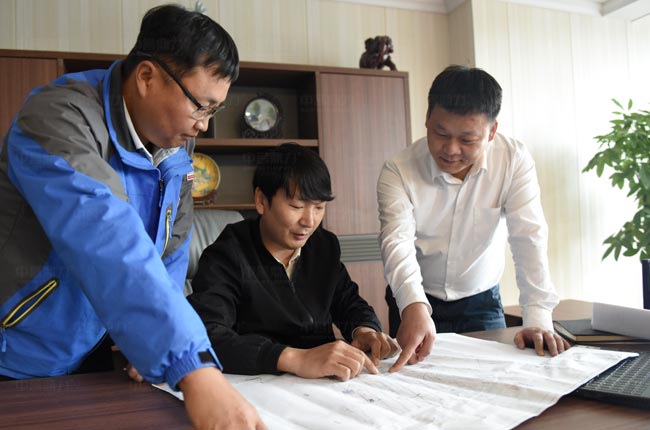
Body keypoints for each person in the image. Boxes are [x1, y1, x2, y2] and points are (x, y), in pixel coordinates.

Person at [0, 5, 265, 429]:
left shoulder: (175, 142)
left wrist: (154, 343)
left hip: (93, 352)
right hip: (16, 353)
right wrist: (192, 364)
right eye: (201, 106)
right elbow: (107, 238)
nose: (203, 126)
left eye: (213, 111)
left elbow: (171, 250)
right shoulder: (58, 117)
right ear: (146, 77)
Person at [377, 65, 570, 372]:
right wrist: (412, 304)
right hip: (414, 297)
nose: (451, 150)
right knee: (412, 382)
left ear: (491, 132)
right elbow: (396, 242)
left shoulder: (513, 160)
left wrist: (537, 317)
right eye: (440, 133)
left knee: (495, 380)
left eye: (467, 140)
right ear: (427, 119)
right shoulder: (399, 170)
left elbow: (528, 237)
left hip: (481, 301)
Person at [187, 143, 399, 381]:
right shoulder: (228, 254)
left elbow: (349, 303)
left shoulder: (323, 246)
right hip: (258, 382)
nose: (309, 221)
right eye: (296, 206)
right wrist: (296, 359)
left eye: (319, 207)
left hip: (324, 383)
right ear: (261, 200)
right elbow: (208, 336)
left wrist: (365, 330)